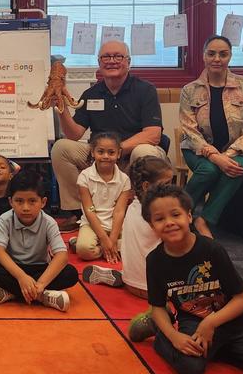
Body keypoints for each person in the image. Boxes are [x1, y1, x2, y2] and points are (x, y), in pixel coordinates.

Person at [128, 185, 243, 374]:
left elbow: (242, 299)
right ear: (152, 226)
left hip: (235, 324)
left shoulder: (212, 250)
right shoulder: (155, 261)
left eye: (175, 215)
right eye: (160, 219)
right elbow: (158, 306)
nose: (169, 223)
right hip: (193, 322)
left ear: (188, 216)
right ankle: (160, 336)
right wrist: (172, 336)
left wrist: (210, 323)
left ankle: (216, 350)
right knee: (190, 368)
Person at [51, 40, 165, 230]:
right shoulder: (91, 93)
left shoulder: (145, 90)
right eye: (106, 57)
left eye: (118, 56)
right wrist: (61, 108)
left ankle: (144, 210)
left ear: (128, 62)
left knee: (146, 152)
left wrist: (117, 150)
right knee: (61, 148)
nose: (111, 61)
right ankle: (77, 211)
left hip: (130, 153)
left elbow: (153, 134)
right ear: (99, 62)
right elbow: (74, 134)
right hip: (99, 154)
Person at [179, 35, 243, 238]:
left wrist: (229, 154)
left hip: (237, 149)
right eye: (211, 54)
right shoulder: (189, 90)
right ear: (204, 57)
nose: (217, 59)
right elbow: (189, 130)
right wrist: (215, 157)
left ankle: (204, 219)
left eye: (223, 54)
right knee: (209, 170)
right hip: (197, 149)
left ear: (230, 57)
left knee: (238, 167)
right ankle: (179, 212)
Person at [0, 169, 78, 311]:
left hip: (40, 268)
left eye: (32, 201)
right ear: (10, 202)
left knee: (71, 274)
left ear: (43, 202)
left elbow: (62, 256)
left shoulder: (48, 222)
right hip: (14, 268)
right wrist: (21, 277)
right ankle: (42, 297)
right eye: (19, 201)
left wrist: (41, 284)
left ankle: (14, 292)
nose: (25, 208)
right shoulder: (5, 219)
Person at [98, 156, 175, 298]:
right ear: (146, 186)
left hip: (130, 284)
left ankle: (122, 275)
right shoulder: (158, 213)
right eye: (166, 184)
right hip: (157, 291)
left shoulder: (133, 207)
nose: (171, 188)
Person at [71, 132, 132, 265]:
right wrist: (105, 239)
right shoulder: (84, 177)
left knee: (134, 247)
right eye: (101, 152)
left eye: (111, 152)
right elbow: (90, 209)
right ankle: (102, 247)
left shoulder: (124, 180)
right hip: (92, 224)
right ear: (93, 152)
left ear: (119, 154)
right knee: (83, 250)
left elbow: (119, 212)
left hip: (115, 225)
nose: (106, 156)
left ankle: (103, 249)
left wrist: (113, 239)